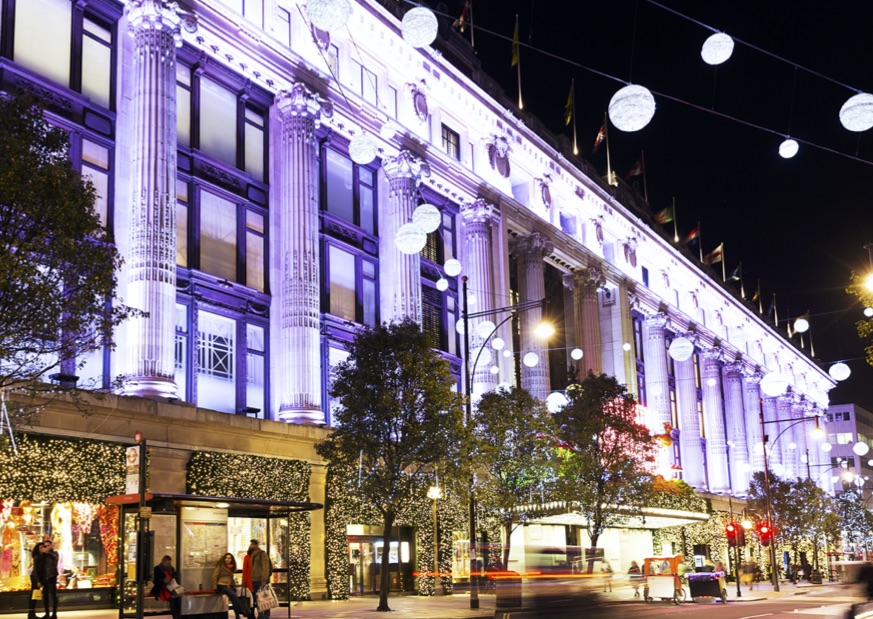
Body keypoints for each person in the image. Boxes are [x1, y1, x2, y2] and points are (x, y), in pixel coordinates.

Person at [213, 553, 247, 619]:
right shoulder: (220, 566)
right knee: (234, 595)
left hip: (229, 585)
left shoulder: (231, 567)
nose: (227, 559)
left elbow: (231, 577)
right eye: (226, 558)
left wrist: (232, 584)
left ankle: (237, 615)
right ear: (224, 559)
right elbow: (214, 577)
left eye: (229, 558)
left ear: (231, 559)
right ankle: (241, 611)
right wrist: (214, 587)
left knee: (234, 598)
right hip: (221, 585)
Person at [247, 540, 271, 618]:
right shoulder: (253, 555)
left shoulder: (262, 554)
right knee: (258, 600)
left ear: (257, 545)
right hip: (254, 580)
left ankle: (266, 616)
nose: (251, 545)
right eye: (251, 544)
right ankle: (260, 615)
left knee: (265, 599)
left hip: (261, 580)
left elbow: (265, 567)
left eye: (253, 544)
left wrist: (264, 579)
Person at [35, 539, 59, 619]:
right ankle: (47, 613)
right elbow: (38, 567)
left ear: (51, 546)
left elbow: (55, 559)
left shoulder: (54, 553)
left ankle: (54, 614)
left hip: (52, 576)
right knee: (45, 596)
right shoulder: (41, 556)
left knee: (53, 595)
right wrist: (38, 580)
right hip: (44, 578)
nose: (47, 547)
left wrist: (48, 553)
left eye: (48, 546)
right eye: (45, 546)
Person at [27, 543, 42, 619]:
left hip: (36, 577)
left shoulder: (41, 557)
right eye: (41, 548)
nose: (42, 549)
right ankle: (31, 612)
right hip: (35, 577)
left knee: (35, 594)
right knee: (34, 594)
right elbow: (35, 570)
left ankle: (32, 612)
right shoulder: (37, 558)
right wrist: (38, 581)